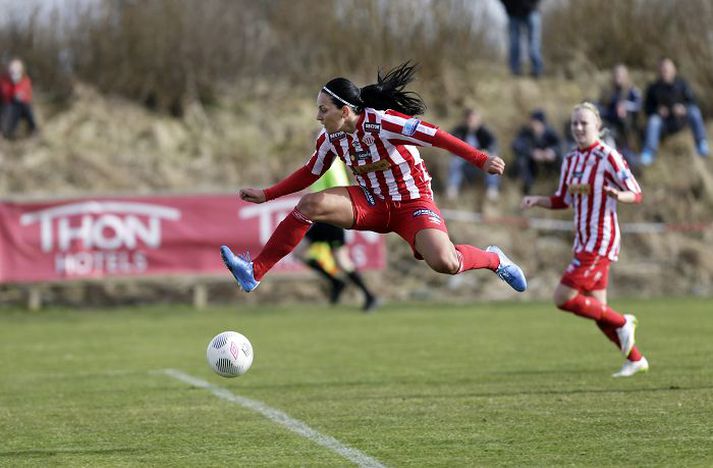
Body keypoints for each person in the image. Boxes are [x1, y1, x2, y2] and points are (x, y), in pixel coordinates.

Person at [220, 62, 527, 297]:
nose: (318, 116)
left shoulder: (385, 123)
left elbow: (437, 136)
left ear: (344, 110)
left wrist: (481, 159)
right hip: (372, 204)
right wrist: (267, 194)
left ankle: (494, 260)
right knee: (310, 204)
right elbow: (310, 172)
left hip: (412, 204)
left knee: (445, 262)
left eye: (323, 109)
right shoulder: (332, 136)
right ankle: (255, 271)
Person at [521, 102, 649, 378]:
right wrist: (538, 201)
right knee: (597, 311)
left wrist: (618, 195)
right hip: (583, 241)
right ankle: (635, 359)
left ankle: (623, 321)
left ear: (598, 128)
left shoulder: (608, 157)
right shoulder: (570, 160)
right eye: (574, 124)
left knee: (563, 297)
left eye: (584, 124)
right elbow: (563, 200)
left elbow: (636, 192)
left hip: (601, 241)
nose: (578, 128)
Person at [292, 159, 379, 311]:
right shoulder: (322, 160)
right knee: (299, 253)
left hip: (331, 218)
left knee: (342, 261)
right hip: (321, 218)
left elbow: (340, 190)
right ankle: (335, 282)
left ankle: (369, 296)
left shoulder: (331, 163)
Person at [640, 57, 709, 166]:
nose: (665, 72)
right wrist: (657, 111)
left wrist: (683, 108)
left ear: (674, 70)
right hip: (664, 123)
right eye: (662, 70)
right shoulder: (653, 88)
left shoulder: (682, 84)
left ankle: (701, 143)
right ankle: (649, 152)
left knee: (694, 112)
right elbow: (647, 109)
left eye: (667, 69)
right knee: (653, 120)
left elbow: (693, 102)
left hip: (681, 120)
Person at [445, 108, 501, 201]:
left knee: (493, 161)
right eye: (470, 120)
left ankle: (492, 189)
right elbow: (450, 143)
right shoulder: (459, 130)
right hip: (464, 158)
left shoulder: (485, 132)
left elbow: (493, 145)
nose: (472, 122)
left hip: (480, 158)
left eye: (474, 120)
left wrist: (486, 151)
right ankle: (452, 189)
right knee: (455, 161)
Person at [598, 64, 642, 167]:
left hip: (628, 128)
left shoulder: (632, 91)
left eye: (621, 75)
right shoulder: (608, 92)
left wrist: (625, 106)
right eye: (616, 75)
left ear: (626, 76)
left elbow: (639, 106)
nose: (618, 77)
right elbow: (601, 108)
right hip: (609, 126)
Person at [511, 109, 562, 195]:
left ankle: (560, 185)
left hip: (548, 162)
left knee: (562, 160)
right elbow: (516, 145)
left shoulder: (550, 132)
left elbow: (560, 145)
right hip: (531, 163)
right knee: (522, 161)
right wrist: (531, 153)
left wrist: (552, 151)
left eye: (535, 123)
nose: (533, 125)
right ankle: (527, 188)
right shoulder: (526, 132)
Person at [500, 0, 543, 78]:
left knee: (534, 42)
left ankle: (537, 70)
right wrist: (508, 5)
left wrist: (532, 3)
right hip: (513, 12)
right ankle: (515, 70)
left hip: (532, 10)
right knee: (514, 42)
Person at [0, 58, 37, 139]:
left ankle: (33, 131)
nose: (14, 71)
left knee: (25, 106)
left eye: (17, 69)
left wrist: (16, 85)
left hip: (22, 108)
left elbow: (26, 96)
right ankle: (8, 132)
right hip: (7, 107)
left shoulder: (25, 80)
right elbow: (5, 94)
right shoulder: (3, 80)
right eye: (12, 69)